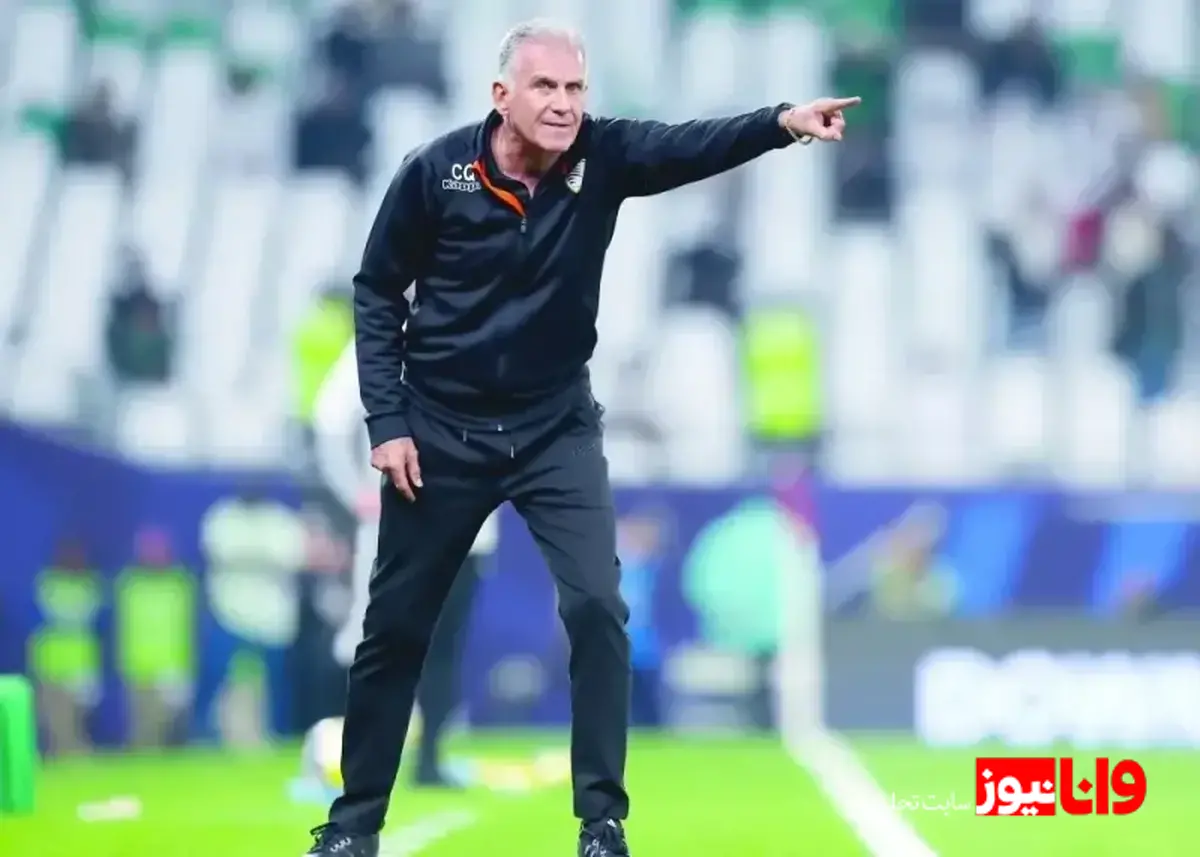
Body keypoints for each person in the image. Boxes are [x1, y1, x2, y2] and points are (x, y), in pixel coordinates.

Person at [304, 19, 858, 857]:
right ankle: (351, 830)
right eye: (545, 87)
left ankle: (602, 824)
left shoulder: (603, 155)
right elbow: (377, 292)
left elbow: (690, 146)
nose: (565, 104)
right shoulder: (432, 172)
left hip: (553, 426)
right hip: (442, 429)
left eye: (575, 88)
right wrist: (387, 424)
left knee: (599, 608)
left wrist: (781, 123)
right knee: (394, 628)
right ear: (501, 96)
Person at [312, 341, 494, 787]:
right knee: (378, 639)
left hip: (466, 529)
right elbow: (329, 420)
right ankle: (350, 757)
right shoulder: (382, 340)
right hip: (402, 524)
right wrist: (353, 491)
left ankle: (427, 759)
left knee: (442, 649)